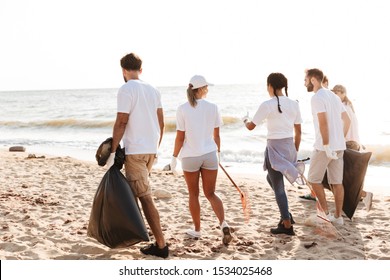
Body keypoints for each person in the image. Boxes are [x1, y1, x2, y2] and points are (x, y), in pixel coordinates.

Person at [105, 53, 168, 258]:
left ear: (123, 70)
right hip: (151, 151)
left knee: (145, 197)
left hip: (137, 152)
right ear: (140, 69)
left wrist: (113, 151)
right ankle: (131, 235)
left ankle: (161, 245)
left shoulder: (126, 89)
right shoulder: (153, 89)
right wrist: (154, 147)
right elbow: (162, 122)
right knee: (133, 193)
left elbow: (121, 121)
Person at [169, 75, 233, 245]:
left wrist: (174, 157)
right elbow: (217, 135)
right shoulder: (213, 107)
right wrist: (218, 153)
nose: (208, 89)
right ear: (200, 89)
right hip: (210, 154)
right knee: (210, 193)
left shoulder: (182, 108)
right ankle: (223, 223)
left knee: (193, 194)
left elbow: (180, 137)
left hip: (190, 157)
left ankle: (197, 230)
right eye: (206, 87)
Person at [243, 73, 303, 236]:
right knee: (271, 180)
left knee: (278, 187)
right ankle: (287, 215)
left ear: (270, 85)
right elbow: (298, 131)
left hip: (274, 149)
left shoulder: (267, 104)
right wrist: (294, 151)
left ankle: (287, 224)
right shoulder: (294, 104)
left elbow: (251, 127)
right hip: (289, 147)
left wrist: (245, 120)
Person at [304, 68, 351, 226]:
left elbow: (323, 122)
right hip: (339, 145)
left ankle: (324, 214)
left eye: (306, 80)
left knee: (313, 179)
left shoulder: (317, 97)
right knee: (336, 182)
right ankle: (338, 217)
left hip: (325, 146)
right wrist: (340, 139)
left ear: (313, 80)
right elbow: (347, 120)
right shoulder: (333, 96)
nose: (304, 83)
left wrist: (326, 144)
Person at [332, 84, 373, 211]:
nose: (335, 95)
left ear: (343, 93)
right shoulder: (349, 106)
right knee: (344, 177)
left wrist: (339, 140)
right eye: (334, 93)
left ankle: (364, 194)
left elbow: (344, 126)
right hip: (353, 143)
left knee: (341, 178)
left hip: (347, 144)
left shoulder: (343, 107)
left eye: (337, 93)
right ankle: (357, 196)